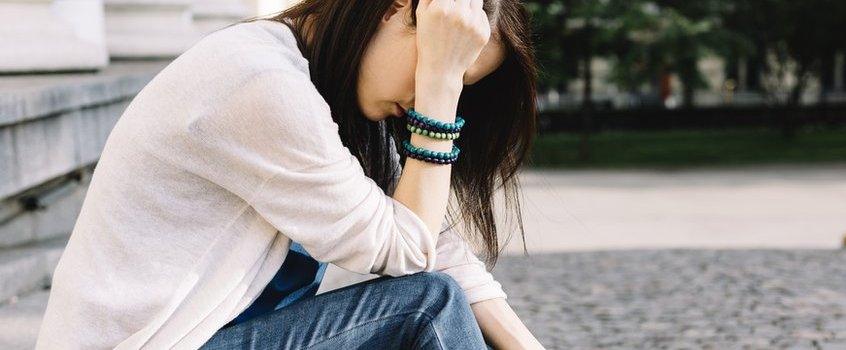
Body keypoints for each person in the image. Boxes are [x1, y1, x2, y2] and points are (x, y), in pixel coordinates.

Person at [34, 0, 544, 348]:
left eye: (459, 81)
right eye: (445, 64)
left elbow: (434, 245)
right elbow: (407, 255)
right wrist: (437, 89)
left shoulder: (325, 97)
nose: (432, 97)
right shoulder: (259, 81)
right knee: (427, 309)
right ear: (393, 9)